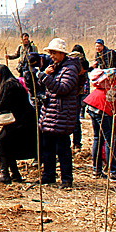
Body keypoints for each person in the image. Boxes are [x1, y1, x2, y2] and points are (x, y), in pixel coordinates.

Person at [37, 38, 81, 189]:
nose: (52, 56)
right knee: (47, 147)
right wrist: (45, 75)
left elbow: (63, 88)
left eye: (54, 53)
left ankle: (66, 179)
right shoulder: (56, 67)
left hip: (62, 115)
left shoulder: (70, 69)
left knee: (63, 149)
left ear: (62, 53)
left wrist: (44, 76)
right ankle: (48, 176)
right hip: (50, 113)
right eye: (50, 53)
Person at [0, 65, 38, 183]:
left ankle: (5, 174)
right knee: (9, 146)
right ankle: (15, 174)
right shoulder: (12, 83)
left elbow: (2, 104)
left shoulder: (9, 85)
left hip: (20, 121)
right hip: (21, 120)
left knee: (1, 145)